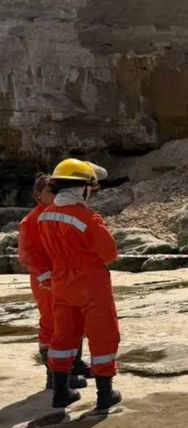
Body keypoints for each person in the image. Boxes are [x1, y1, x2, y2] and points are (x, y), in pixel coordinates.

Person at [38, 158, 121, 410]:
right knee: (103, 335)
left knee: (63, 336)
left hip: (61, 284)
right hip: (91, 284)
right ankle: (105, 394)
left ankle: (61, 393)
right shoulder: (87, 217)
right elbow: (109, 253)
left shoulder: (45, 216)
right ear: (82, 188)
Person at [18, 174, 89, 389]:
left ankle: (72, 366)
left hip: (66, 276)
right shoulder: (32, 220)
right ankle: (54, 375)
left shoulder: (60, 215)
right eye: (50, 191)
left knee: (75, 318)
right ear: (38, 194)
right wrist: (45, 277)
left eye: (56, 190)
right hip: (47, 280)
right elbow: (28, 253)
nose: (55, 195)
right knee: (52, 322)